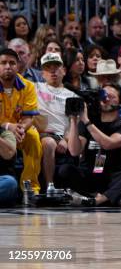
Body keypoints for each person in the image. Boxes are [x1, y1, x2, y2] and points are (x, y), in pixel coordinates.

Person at [59, 84, 121, 206]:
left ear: (120, 102)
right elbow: (74, 151)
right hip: (90, 173)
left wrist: (87, 121)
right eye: (103, 96)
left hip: (112, 176)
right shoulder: (88, 122)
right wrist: (74, 120)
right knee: (65, 169)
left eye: (111, 97)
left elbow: (108, 144)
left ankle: (98, 200)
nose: (106, 99)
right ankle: (101, 197)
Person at [34, 53, 78, 195]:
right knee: (49, 143)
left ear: (64, 71)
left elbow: (73, 123)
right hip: (42, 133)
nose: (53, 71)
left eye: (56, 67)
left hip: (63, 135)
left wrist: (65, 139)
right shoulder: (35, 88)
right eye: (48, 68)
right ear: (42, 74)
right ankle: (49, 187)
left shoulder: (72, 95)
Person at [0, 48, 42, 194]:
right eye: (3, 62)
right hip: (1, 131)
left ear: (17, 66)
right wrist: (7, 126)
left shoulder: (28, 86)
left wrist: (21, 128)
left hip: (19, 130)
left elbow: (29, 117)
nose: (7, 66)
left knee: (33, 137)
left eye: (12, 63)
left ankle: (30, 187)